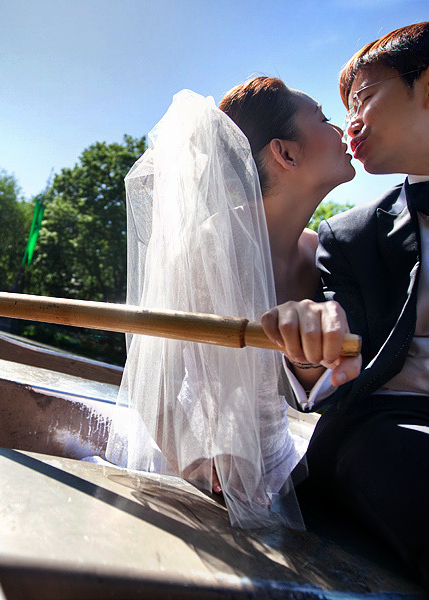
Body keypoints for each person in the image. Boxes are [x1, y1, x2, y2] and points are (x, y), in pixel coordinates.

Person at [105, 77, 358, 530]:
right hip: (205, 468)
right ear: (286, 153)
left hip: (283, 465)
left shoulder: (322, 251)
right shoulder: (210, 247)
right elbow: (157, 378)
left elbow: (309, 389)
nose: (340, 128)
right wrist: (200, 461)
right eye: (323, 118)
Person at [272, 22, 429, 584]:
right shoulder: (350, 235)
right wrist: (308, 343)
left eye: (363, 96)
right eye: (340, 108)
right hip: (391, 429)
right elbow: (339, 356)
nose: (351, 122)